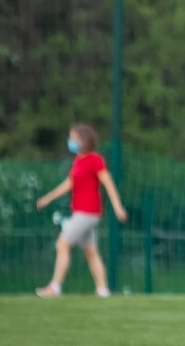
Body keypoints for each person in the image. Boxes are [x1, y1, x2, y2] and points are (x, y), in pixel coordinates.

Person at [35, 123, 128, 297]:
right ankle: (102, 290)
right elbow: (69, 184)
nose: (70, 141)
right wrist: (48, 198)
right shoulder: (78, 161)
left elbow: (108, 184)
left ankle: (55, 287)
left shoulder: (95, 160)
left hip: (88, 212)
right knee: (91, 252)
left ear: (83, 140)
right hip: (81, 212)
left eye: (73, 138)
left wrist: (117, 207)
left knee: (62, 244)